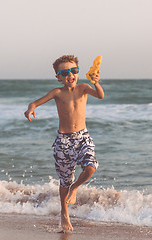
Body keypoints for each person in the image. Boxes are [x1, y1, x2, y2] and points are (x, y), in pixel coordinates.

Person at [24, 55, 104, 232]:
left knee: (91, 166)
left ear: (77, 72)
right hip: (63, 141)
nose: (70, 75)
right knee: (64, 180)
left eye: (74, 71)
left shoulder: (84, 88)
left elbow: (100, 95)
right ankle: (64, 212)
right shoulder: (57, 93)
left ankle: (75, 189)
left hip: (83, 136)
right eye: (65, 72)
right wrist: (31, 109)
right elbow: (35, 102)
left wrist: (97, 82)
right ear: (59, 77)